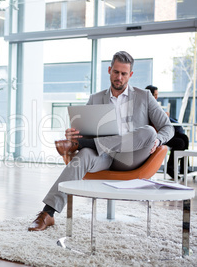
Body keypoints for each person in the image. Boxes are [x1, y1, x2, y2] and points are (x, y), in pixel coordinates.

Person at [28, 51, 174, 231]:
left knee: (150, 132)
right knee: (84, 155)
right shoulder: (95, 98)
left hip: (131, 157)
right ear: (109, 70)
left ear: (131, 75)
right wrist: (75, 136)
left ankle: (82, 146)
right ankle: (48, 213)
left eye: (124, 73)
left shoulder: (144, 96)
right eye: (116, 72)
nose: (119, 77)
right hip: (104, 155)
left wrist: (159, 139)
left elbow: (168, 127)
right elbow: (86, 132)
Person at [145, 85, 190, 178]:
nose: (156, 97)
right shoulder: (146, 105)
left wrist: (164, 116)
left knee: (184, 138)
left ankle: (183, 167)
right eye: (155, 95)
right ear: (150, 95)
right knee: (180, 143)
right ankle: (171, 167)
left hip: (161, 131)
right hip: (156, 134)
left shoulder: (155, 105)